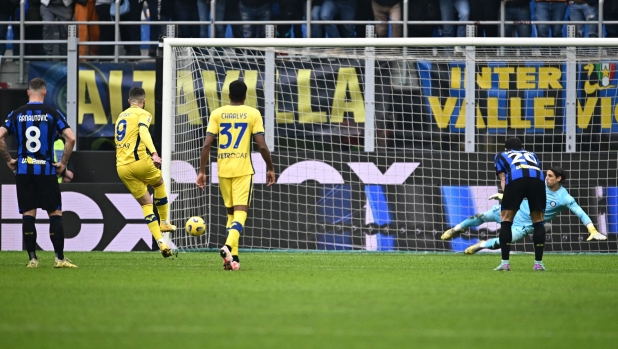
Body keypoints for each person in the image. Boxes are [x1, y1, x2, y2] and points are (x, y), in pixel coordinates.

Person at [196, 80, 276, 271]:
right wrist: (270, 167)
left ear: (229, 95)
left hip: (223, 169)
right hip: (242, 170)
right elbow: (262, 145)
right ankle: (228, 246)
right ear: (246, 96)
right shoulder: (252, 113)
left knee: (231, 214)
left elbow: (207, 144)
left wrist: (201, 170)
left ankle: (234, 259)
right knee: (241, 213)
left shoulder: (217, 114)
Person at [441, 167, 608, 257]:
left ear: (559, 179)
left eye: (550, 176)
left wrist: (592, 229)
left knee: (502, 242)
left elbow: (580, 213)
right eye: (546, 175)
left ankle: (479, 246)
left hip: (525, 225)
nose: (546, 178)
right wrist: (503, 195)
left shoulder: (565, 198)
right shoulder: (539, 183)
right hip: (512, 210)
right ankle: (456, 229)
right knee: (481, 216)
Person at [0, 78, 77, 268]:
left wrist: (9, 160)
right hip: (46, 170)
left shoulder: (16, 114)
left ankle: (33, 260)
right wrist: (62, 163)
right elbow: (71, 138)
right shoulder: (52, 113)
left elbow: (0, 136)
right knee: (55, 213)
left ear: (28, 92)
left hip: (24, 170)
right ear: (45, 92)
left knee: (28, 214)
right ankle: (59, 259)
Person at [115, 87, 176, 258]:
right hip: (139, 161)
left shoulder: (121, 116)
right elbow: (143, 131)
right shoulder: (143, 114)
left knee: (146, 204)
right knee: (159, 183)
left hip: (121, 167)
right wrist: (154, 153)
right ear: (144, 101)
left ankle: (160, 242)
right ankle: (164, 222)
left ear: (128, 101)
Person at [493, 137, 545, 271]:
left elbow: (503, 178)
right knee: (538, 221)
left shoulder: (501, 155)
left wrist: (508, 197)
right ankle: (538, 264)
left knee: (506, 220)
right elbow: (535, 170)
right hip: (537, 180)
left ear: (506, 148)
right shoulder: (532, 154)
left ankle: (505, 263)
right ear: (522, 147)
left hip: (516, 179)